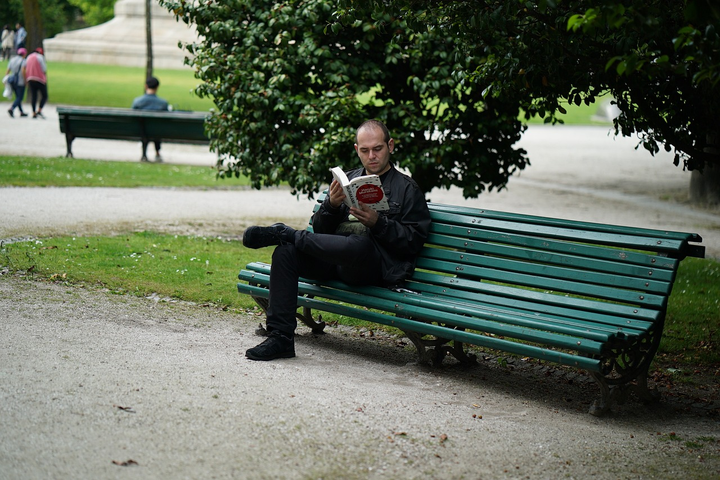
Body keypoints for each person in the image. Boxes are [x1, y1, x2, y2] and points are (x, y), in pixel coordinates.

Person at [242, 120, 432, 361]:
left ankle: (287, 233)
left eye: (378, 149)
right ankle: (280, 338)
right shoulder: (348, 180)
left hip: (372, 267)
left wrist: (379, 223)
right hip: (333, 261)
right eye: (365, 151)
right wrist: (331, 206)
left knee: (358, 244)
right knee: (286, 253)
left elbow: (413, 242)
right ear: (356, 150)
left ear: (390, 146)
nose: (371, 156)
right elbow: (320, 229)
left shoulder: (407, 189)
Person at [131, 76, 170, 161]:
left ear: (145, 86)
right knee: (156, 126)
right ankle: (157, 153)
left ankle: (144, 155)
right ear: (157, 87)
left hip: (141, 131)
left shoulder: (137, 102)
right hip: (157, 131)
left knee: (145, 126)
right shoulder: (163, 103)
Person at [25, 47, 48, 119]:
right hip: (39, 79)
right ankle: (39, 110)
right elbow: (44, 69)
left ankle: (34, 112)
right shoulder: (40, 57)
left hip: (30, 79)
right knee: (44, 95)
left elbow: (26, 67)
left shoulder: (28, 57)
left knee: (34, 96)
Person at [6, 47, 28, 118]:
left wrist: (6, 79)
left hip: (12, 80)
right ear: (24, 54)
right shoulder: (23, 60)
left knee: (17, 97)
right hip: (20, 81)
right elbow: (23, 71)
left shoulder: (12, 60)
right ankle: (12, 108)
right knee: (20, 97)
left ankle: (21, 112)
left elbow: (8, 70)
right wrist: (25, 80)